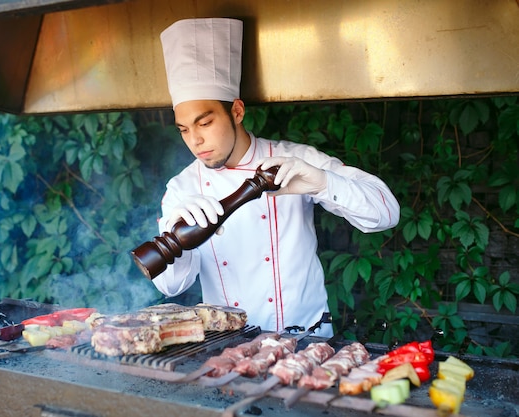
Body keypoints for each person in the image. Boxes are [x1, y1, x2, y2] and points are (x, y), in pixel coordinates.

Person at [151, 18, 400, 336]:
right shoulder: (182, 188)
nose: (194, 141)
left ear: (237, 112)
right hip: (230, 350)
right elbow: (171, 287)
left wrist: (324, 182)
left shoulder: (296, 160)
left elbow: (386, 214)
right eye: (184, 129)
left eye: (205, 123)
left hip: (306, 343)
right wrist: (176, 237)